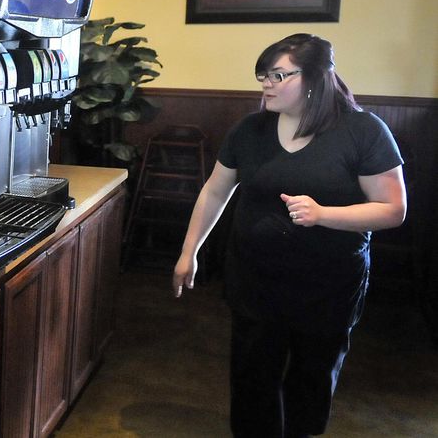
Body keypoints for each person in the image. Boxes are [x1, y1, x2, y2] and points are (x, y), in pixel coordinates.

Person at [172, 34, 407, 437]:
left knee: (311, 378)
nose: (267, 84)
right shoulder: (250, 130)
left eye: (278, 75)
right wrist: (188, 250)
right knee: (251, 377)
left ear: (315, 78)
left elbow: (392, 209)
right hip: (255, 279)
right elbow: (215, 191)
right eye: (264, 75)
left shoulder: (363, 130)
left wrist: (323, 215)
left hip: (328, 285)